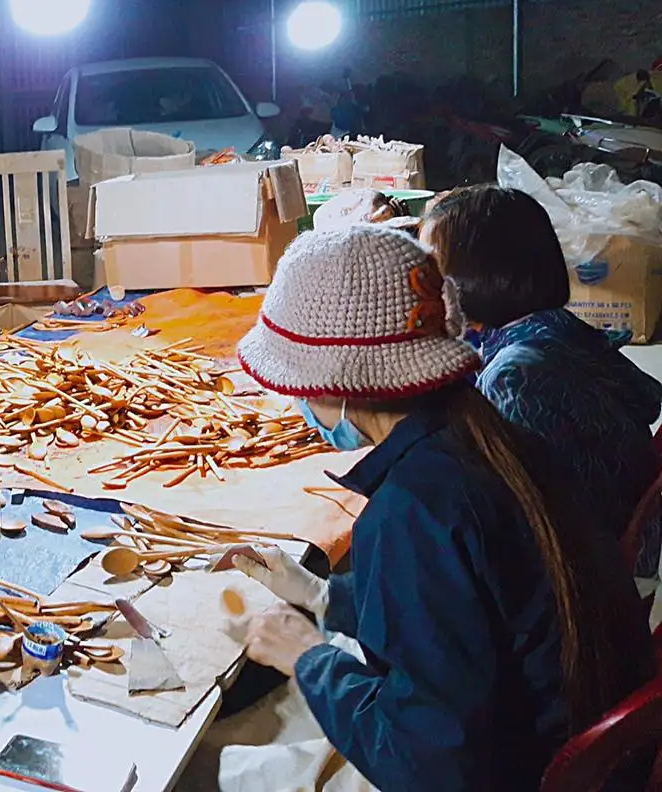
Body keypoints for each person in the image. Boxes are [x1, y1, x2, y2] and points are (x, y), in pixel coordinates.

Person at [223, 226, 652, 791]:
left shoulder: (414, 511)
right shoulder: (493, 435)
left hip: (518, 771)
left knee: (224, 765)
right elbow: (463, 608)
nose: (296, 399)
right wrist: (323, 596)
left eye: (295, 384)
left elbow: (431, 767)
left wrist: (309, 658)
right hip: (570, 723)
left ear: (339, 381)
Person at [421, 184, 662, 573]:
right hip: (618, 535)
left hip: (595, 570)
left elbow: (523, 518)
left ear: (478, 273)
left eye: (430, 267)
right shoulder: (548, 325)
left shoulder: (515, 376)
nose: (420, 283)